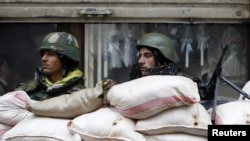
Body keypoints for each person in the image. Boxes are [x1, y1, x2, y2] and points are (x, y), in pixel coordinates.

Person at [15, 32, 85, 101]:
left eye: (51, 54)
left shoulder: (83, 96)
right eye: (43, 54)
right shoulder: (26, 90)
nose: (44, 59)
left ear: (66, 59)